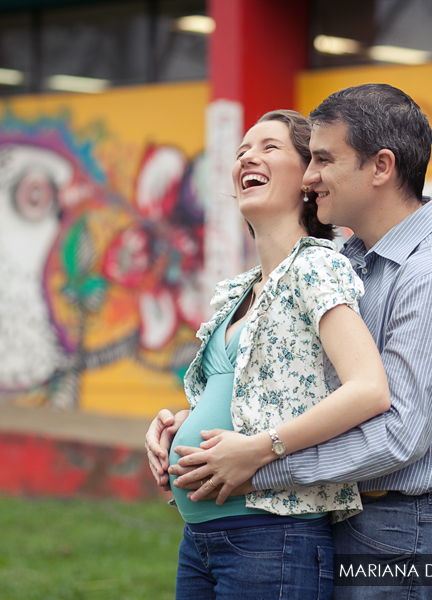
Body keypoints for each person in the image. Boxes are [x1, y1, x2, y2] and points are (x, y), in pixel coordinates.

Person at [147, 84, 432, 600]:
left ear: (381, 167)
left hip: (402, 529)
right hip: (344, 514)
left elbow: (399, 435)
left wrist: (260, 467)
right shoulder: (352, 262)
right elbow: (306, 383)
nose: (311, 177)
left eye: (324, 160)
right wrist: (204, 425)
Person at [165, 109, 390, 600]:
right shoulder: (242, 290)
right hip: (200, 539)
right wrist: (175, 424)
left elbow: (369, 389)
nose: (248, 155)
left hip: (271, 538)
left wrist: (259, 449)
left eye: (269, 147)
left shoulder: (314, 268)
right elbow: (250, 394)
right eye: (243, 149)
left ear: (310, 178)